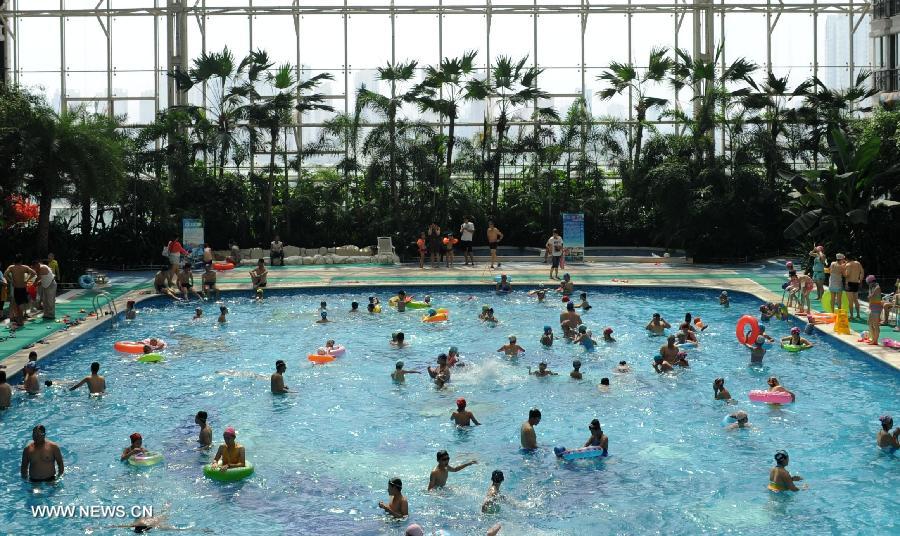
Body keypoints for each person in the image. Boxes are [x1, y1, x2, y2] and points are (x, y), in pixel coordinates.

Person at [4, 254, 37, 326]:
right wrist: (27, 280)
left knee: (18, 304)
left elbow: (5, 274)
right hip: (22, 287)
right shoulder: (24, 267)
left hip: (16, 288)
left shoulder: (11, 267)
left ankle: (20, 320)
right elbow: (34, 273)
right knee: (20, 305)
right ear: (21, 260)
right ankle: (20, 320)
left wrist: (11, 281)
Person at [843, 255, 864, 319]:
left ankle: (851, 315)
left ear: (847, 259)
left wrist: (843, 270)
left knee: (850, 301)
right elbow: (862, 272)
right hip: (856, 283)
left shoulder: (848, 265)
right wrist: (860, 280)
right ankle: (858, 314)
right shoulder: (858, 263)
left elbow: (847, 275)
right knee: (856, 300)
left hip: (849, 283)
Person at [866, 275, 883, 345]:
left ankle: (875, 341)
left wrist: (870, 292)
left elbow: (870, 297)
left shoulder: (877, 288)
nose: (868, 285)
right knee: (869, 323)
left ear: (872, 282)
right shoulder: (872, 288)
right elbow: (870, 298)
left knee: (876, 325)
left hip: (876, 308)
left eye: (869, 283)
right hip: (873, 308)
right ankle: (873, 339)